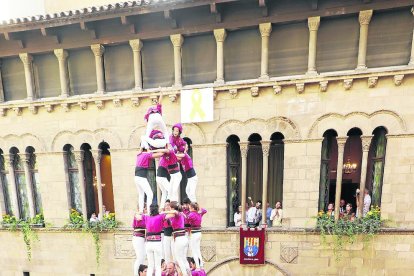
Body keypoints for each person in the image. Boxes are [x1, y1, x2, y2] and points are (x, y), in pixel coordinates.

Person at [136, 204, 166, 276]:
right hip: (157, 242)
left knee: (150, 265)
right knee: (158, 266)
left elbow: (137, 217)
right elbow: (172, 215)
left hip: (149, 243)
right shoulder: (161, 216)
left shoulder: (146, 217)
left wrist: (140, 212)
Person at [135, 147, 168, 213]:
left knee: (141, 194)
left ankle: (141, 211)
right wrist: (166, 151)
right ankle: (149, 212)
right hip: (141, 177)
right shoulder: (146, 154)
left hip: (136, 177)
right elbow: (160, 154)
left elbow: (140, 150)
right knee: (150, 194)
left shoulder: (139, 155)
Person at [171, 123, 198, 202]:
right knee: (187, 191)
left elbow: (178, 156)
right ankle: (193, 204)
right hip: (190, 178)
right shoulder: (181, 157)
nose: (175, 132)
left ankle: (196, 206)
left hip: (193, 178)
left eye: (177, 131)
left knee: (192, 193)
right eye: (174, 130)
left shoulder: (185, 156)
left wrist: (172, 153)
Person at [168, 201, 191, 276]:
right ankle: (189, 273)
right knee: (183, 258)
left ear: (172, 207)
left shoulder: (177, 213)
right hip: (183, 238)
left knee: (179, 259)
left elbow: (175, 212)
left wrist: (163, 212)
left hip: (180, 239)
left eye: (169, 207)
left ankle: (185, 274)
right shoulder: (180, 214)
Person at [187, 202, 207, 269]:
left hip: (194, 234)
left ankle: (198, 266)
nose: (189, 209)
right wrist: (198, 208)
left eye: (190, 207)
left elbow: (186, 220)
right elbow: (205, 210)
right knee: (198, 250)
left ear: (192, 208)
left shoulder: (191, 214)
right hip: (199, 233)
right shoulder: (199, 213)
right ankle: (201, 265)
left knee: (194, 251)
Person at [133, 205, 147, 276]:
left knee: (143, 256)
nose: (145, 209)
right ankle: (136, 274)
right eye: (144, 208)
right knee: (139, 257)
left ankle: (140, 273)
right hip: (138, 237)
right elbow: (139, 218)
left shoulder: (144, 216)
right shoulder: (137, 215)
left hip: (142, 238)